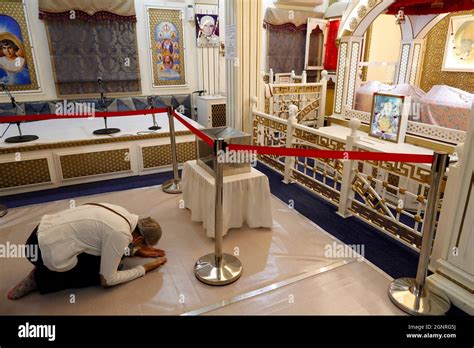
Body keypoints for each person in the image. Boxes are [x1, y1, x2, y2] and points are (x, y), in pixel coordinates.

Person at [7, 203, 167, 300]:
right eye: (142, 245)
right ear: (139, 240)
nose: (141, 248)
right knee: (97, 275)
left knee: (115, 258)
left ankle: (47, 265)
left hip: (39, 234)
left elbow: (106, 239)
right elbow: (108, 280)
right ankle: (39, 278)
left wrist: (135, 252)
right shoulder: (121, 234)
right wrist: (144, 269)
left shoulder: (123, 214)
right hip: (41, 250)